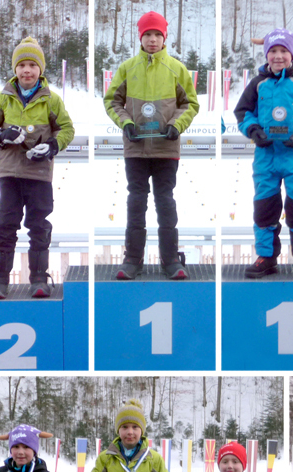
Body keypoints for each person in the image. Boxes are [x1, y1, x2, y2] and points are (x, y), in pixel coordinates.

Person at [104, 11, 199, 280]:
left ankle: (170, 259)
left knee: (165, 202)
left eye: (158, 34)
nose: (153, 40)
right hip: (136, 148)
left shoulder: (176, 68)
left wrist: (176, 125)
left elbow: (190, 104)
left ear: (165, 37)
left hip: (165, 149)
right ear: (140, 37)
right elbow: (112, 101)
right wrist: (126, 124)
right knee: (136, 202)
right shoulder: (127, 68)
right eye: (148, 34)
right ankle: (133, 259)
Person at [0, 37, 75, 299]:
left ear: (40, 69)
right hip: (9, 173)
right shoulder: (3, 99)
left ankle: (39, 278)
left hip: (39, 174)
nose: (27, 70)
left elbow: (67, 129)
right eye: (22, 65)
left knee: (39, 224)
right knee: (6, 223)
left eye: (32, 64)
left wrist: (53, 146)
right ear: (15, 69)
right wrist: (1, 135)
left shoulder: (51, 100)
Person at [235, 28, 293, 280]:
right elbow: (243, 113)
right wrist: (254, 131)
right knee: (265, 207)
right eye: (273, 51)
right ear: (266, 55)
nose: (278, 56)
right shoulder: (257, 83)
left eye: (283, 51)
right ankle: (266, 257)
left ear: (292, 53)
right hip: (266, 157)